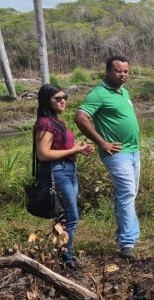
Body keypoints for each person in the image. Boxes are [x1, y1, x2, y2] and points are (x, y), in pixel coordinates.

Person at [74, 55, 141, 259]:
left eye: (126, 71)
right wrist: (101, 142)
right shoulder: (99, 93)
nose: (123, 74)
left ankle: (125, 235)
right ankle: (128, 242)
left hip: (133, 151)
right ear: (108, 71)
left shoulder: (123, 92)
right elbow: (81, 117)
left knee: (128, 194)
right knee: (127, 193)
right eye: (119, 70)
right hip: (116, 153)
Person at [34, 84, 95, 269]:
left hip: (68, 169)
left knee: (62, 217)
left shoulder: (57, 120)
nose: (63, 101)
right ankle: (66, 259)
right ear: (47, 101)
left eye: (64, 97)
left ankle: (59, 254)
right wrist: (73, 149)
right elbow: (43, 154)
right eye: (57, 99)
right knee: (71, 216)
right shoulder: (45, 123)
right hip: (57, 171)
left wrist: (78, 149)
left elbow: (60, 149)